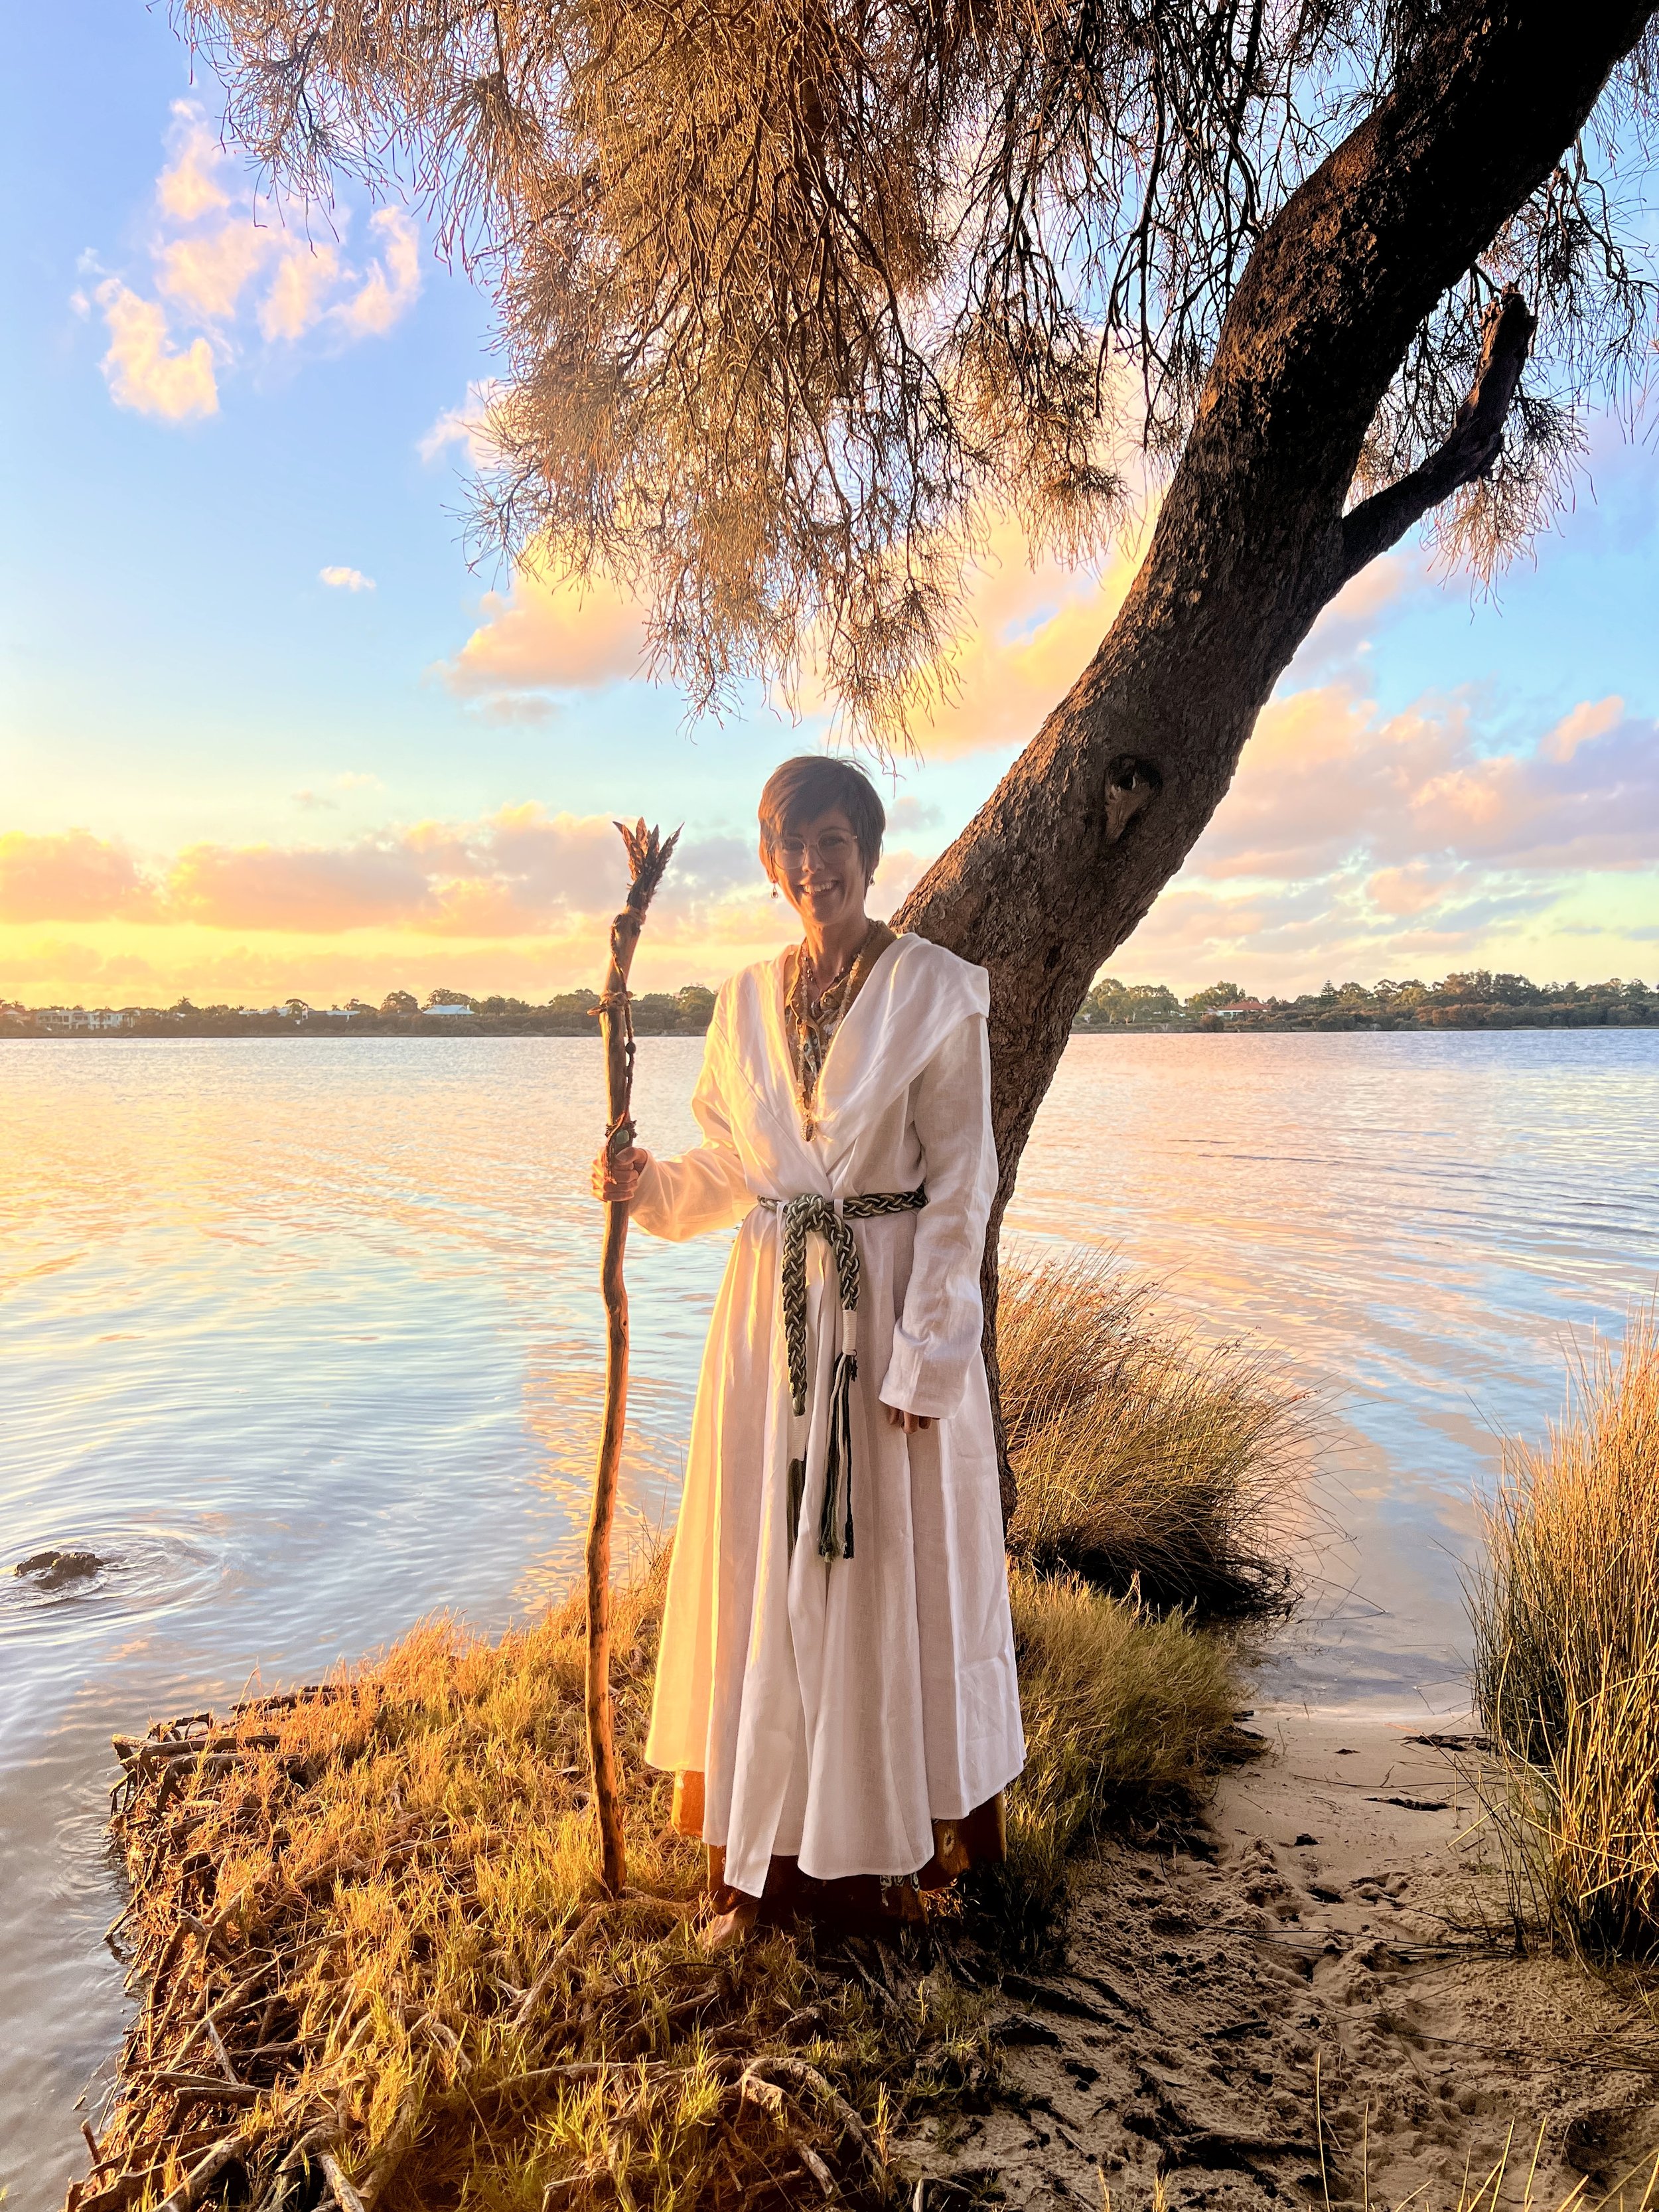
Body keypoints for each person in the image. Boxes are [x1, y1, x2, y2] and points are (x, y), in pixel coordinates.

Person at [591, 755, 1024, 1946]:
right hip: (771, 1324)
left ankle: (885, 1853)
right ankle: (767, 1855)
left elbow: (958, 1187)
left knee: (883, 1570)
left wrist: (930, 1358)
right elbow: (733, 1170)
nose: (814, 866)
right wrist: (646, 1187)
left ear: (868, 850)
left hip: (884, 1312)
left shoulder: (938, 991)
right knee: (769, 1566)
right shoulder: (743, 1001)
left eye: (834, 840)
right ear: (772, 864)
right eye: (793, 847)